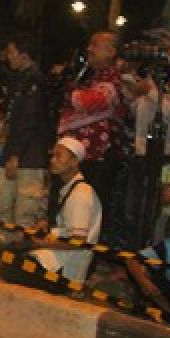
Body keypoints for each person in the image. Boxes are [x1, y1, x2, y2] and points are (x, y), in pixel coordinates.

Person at [57, 30, 127, 218]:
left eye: (95, 45)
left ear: (111, 51)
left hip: (98, 156)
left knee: (88, 211)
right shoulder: (88, 77)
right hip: (81, 156)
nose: (89, 49)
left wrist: (65, 95)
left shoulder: (114, 78)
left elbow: (90, 101)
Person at [0, 36, 52, 235]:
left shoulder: (35, 80)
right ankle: (9, 248)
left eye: (11, 52)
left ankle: (22, 257)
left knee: (25, 212)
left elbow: (30, 121)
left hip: (30, 154)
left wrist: (15, 155)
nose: (7, 56)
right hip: (12, 149)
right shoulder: (19, 79)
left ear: (24, 55)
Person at [32, 136, 102, 283]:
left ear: (74, 162)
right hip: (57, 258)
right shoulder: (70, 188)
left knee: (12, 267)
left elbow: (77, 241)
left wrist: (43, 243)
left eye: (59, 156)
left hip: (66, 268)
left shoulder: (81, 194)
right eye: (53, 156)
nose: (52, 160)